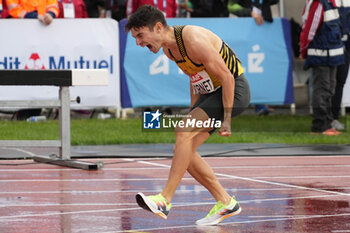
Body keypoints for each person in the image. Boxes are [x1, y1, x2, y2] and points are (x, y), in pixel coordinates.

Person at [125, 5, 250, 225]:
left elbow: (228, 78)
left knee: (183, 131)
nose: (139, 42)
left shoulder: (193, 39)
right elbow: (196, 79)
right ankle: (226, 202)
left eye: (140, 35)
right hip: (211, 92)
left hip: (234, 91)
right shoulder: (169, 50)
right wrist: (193, 110)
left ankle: (165, 199)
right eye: (135, 38)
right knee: (184, 149)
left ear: (157, 27)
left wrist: (227, 118)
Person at [299, 0, 344, 135]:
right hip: (321, 55)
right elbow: (309, 29)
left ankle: (328, 123)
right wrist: (303, 49)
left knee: (330, 89)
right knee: (322, 89)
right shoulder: (319, 3)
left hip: (333, 55)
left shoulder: (330, 3)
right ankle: (319, 126)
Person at [331, 0, 350, 131]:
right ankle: (326, 118)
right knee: (329, 82)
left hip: (347, 47)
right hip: (331, 45)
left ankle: (334, 117)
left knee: (340, 82)